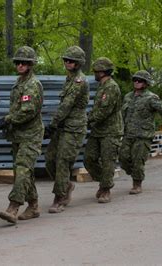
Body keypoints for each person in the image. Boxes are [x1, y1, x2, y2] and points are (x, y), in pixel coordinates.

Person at [0, 46, 44, 224]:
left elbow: (28, 111)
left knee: (23, 169)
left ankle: (13, 206)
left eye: (24, 62)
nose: (20, 65)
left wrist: (9, 119)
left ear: (31, 64)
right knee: (24, 171)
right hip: (18, 135)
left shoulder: (33, 85)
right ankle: (33, 205)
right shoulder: (19, 83)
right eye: (18, 62)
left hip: (31, 135)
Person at [45, 46, 89, 213]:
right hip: (63, 126)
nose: (67, 63)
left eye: (71, 61)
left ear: (78, 63)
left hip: (74, 128)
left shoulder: (79, 80)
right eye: (66, 60)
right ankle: (66, 185)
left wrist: (53, 124)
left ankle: (60, 197)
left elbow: (67, 104)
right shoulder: (69, 79)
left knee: (63, 161)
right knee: (50, 159)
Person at [120, 70, 162, 194]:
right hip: (128, 134)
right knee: (123, 158)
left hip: (143, 135)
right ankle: (135, 172)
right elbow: (122, 115)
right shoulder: (128, 97)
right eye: (135, 80)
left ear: (146, 83)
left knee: (138, 159)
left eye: (140, 80)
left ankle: (137, 183)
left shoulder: (151, 98)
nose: (136, 82)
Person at [83, 57, 123, 204]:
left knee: (108, 161)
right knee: (89, 158)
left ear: (103, 71)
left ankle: (105, 189)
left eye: (96, 70)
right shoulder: (102, 86)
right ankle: (105, 181)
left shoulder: (111, 87)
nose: (94, 72)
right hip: (98, 129)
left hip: (111, 131)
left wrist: (87, 120)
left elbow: (104, 111)